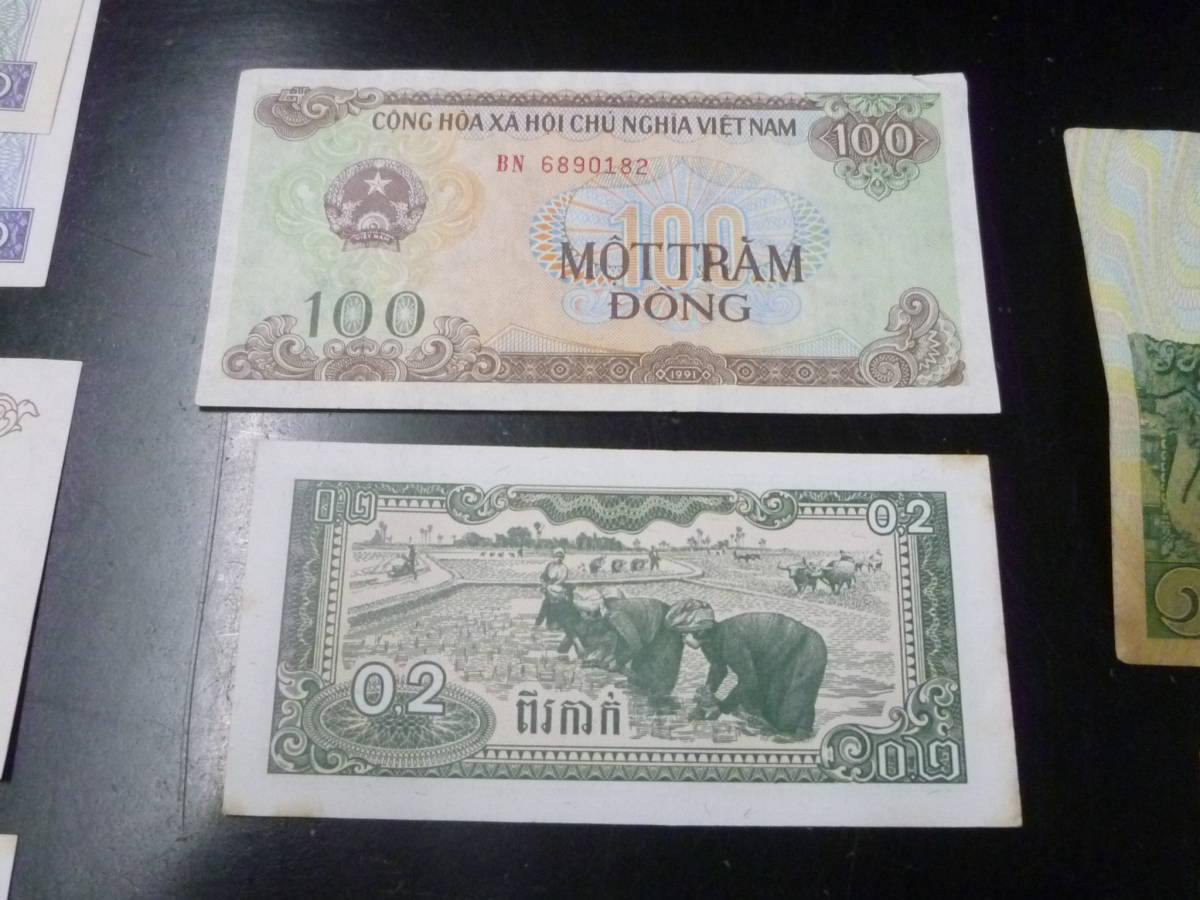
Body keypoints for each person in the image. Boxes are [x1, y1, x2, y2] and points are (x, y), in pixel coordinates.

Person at [665, 598, 827, 738]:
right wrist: (706, 702)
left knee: (790, 715)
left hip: (806, 648)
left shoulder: (730, 639)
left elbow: (748, 681)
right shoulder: (711, 641)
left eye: (684, 634)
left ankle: (798, 738)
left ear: (698, 632)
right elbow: (718, 671)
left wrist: (722, 706)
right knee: (768, 715)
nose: (682, 639)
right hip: (778, 655)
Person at [536, 548, 575, 653]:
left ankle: (555, 624)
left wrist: (551, 586)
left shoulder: (564, 568)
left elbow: (562, 580)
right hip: (549, 587)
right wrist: (545, 584)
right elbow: (543, 576)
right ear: (554, 556)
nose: (559, 558)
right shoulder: (549, 566)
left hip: (558, 588)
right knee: (547, 603)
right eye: (557, 556)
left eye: (561, 557)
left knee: (556, 603)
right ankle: (542, 622)